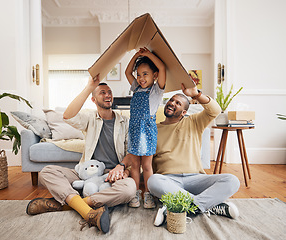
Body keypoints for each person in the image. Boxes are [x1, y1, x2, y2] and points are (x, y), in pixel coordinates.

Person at [26, 75, 136, 234]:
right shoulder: (90, 117)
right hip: (85, 173)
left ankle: (69, 204)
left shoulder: (124, 122)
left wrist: (122, 167)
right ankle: (88, 211)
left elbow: (131, 152)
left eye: (109, 92)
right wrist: (89, 87)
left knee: (129, 190)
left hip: (111, 175)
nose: (107, 95)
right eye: (102, 93)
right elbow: (68, 116)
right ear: (93, 99)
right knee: (46, 172)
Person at [148, 83, 241, 226]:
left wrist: (196, 94)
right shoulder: (153, 129)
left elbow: (215, 110)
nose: (172, 103)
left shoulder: (193, 122)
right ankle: (211, 206)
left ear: (184, 112)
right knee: (153, 181)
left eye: (178, 103)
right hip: (169, 181)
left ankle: (177, 207)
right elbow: (148, 163)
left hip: (196, 178)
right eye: (171, 100)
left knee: (232, 180)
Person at [125, 47, 166, 209]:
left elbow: (162, 67)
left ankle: (148, 194)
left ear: (154, 76)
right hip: (134, 129)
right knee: (134, 165)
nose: (141, 78)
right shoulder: (136, 88)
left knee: (147, 166)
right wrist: (136, 55)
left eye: (145, 74)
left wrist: (148, 54)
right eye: (139, 74)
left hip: (147, 130)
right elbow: (127, 73)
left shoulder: (156, 90)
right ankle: (135, 193)